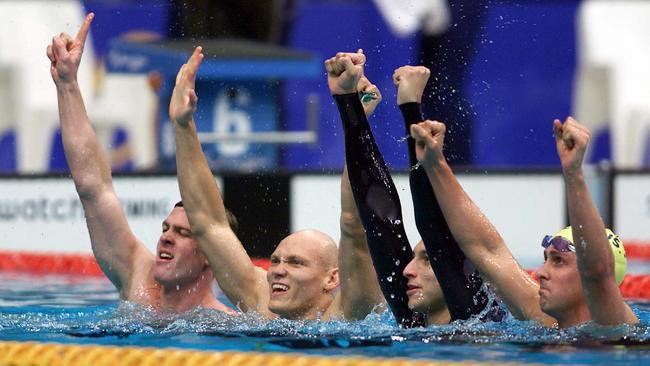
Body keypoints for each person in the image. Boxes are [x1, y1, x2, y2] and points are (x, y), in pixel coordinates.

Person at [47, 13, 233, 314]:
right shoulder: (137, 278)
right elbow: (94, 188)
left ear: (212, 254)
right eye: (166, 228)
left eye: (183, 233)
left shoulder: (225, 325)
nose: (166, 239)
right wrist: (67, 83)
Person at [170, 46, 371, 321]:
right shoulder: (260, 301)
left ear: (332, 278)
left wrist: (352, 111)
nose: (277, 270)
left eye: (296, 263)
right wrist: (183, 126)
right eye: (275, 260)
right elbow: (208, 224)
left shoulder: (349, 314)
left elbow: (353, 225)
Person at [409, 113, 638, 327]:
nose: (540, 273)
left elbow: (597, 271)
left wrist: (573, 174)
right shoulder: (542, 317)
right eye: (547, 259)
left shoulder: (613, 324)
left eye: (559, 261)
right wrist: (435, 163)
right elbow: (487, 250)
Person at [327, 51, 497, 326]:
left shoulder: (480, 321)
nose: (406, 270)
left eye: (427, 259)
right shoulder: (411, 319)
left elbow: (434, 230)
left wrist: (410, 108)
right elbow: (381, 223)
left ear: (469, 272)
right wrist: (346, 102)